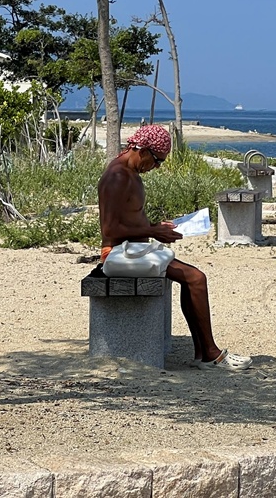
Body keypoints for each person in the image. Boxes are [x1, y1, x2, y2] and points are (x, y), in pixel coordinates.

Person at [97, 124, 252, 371]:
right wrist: (152, 231)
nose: (157, 167)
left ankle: (203, 353)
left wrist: (157, 226)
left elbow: (127, 218)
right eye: (157, 160)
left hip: (134, 249)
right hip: (116, 254)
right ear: (143, 150)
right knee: (196, 278)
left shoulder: (130, 172)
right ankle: (210, 353)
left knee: (193, 279)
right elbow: (109, 231)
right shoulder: (117, 177)